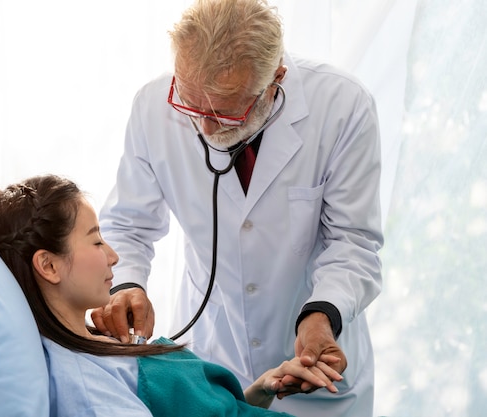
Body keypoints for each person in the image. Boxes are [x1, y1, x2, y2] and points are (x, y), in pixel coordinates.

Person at [93, 1, 384, 416]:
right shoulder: (152, 107)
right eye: (190, 104)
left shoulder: (342, 107)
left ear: (276, 79)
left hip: (318, 369)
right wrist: (126, 285)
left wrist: (321, 316)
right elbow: (128, 224)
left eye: (225, 111)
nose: (205, 127)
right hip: (216, 355)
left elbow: (353, 241)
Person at [0, 174, 343, 417]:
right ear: (49, 266)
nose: (114, 255)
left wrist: (263, 388)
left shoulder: (102, 343)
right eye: (97, 240)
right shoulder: (84, 383)